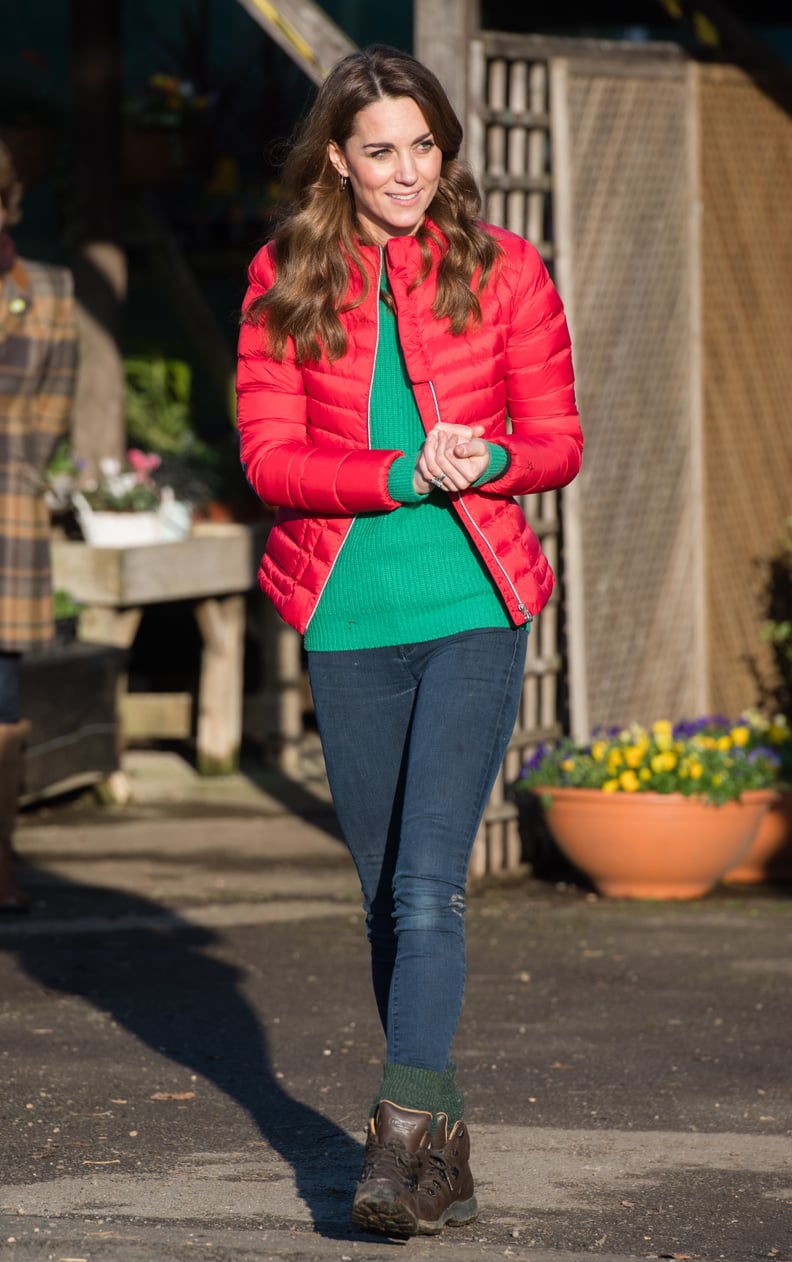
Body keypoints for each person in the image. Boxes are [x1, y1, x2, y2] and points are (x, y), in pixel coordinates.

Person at [237, 45, 582, 1236]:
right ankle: (446, 1151)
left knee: (434, 887)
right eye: (380, 148)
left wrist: (491, 457)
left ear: (446, 149)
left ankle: (389, 1147)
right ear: (338, 155)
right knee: (386, 898)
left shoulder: (504, 269)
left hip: (474, 606)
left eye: (424, 146)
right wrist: (392, 471)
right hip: (346, 614)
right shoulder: (284, 275)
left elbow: (557, 440)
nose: (406, 171)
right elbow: (269, 456)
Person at [0, 139, 79, 909]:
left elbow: (55, 404)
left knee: (2, 691)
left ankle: (1, 853)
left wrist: (23, 477)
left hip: (6, 515)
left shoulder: (49, 290)